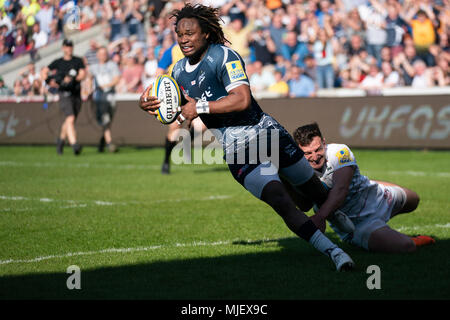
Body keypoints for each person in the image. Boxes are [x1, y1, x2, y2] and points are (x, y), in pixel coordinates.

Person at [139, 4, 355, 271]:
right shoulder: (178, 72)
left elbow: (241, 100)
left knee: (311, 191)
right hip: (237, 150)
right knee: (281, 201)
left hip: (266, 134)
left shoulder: (224, 56)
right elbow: (175, 109)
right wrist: (151, 104)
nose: (183, 39)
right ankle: (333, 252)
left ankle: (347, 225)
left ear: (206, 33)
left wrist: (200, 108)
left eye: (190, 33)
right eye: (179, 34)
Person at [292, 122, 435, 253]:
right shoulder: (298, 170)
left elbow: (341, 189)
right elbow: (304, 205)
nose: (315, 156)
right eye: (308, 153)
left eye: (318, 149)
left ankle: (372, 183)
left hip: (376, 196)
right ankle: (414, 239)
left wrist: (320, 217)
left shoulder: (339, 152)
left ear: (324, 143)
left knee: (414, 200)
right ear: (299, 152)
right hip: (357, 225)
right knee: (406, 247)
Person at [41, 39, 86, 155]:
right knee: (70, 118)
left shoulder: (78, 61)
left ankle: (60, 142)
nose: (69, 48)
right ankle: (75, 145)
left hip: (76, 94)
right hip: (64, 94)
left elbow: (82, 74)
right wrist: (49, 81)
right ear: (63, 48)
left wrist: (72, 79)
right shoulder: (58, 62)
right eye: (67, 46)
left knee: (69, 121)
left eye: (70, 46)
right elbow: (44, 72)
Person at [88, 46, 120, 153]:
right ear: (97, 55)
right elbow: (89, 78)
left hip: (110, 96)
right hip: (99, 97)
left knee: (107, 120)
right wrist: (88, 89)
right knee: (105, 119)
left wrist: (105, 85)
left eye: (105, 53)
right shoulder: (93, 67)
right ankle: (109, 143)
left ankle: (103, 142)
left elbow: (116, 79)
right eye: (101, 54)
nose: (103, 56)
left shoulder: (112, 65)